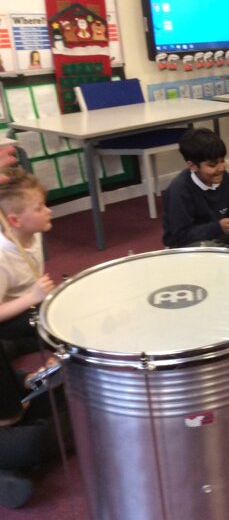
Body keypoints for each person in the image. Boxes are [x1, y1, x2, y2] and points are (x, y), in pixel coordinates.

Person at [0, 350, 70, 509]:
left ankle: (9, 469)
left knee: (61, 389)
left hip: (9, 407)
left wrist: (27, 379)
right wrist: (9, 416)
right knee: (33, 441)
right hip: (7, 416)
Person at [0, 167, 54, 361]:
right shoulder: (2, 256)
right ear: (15, 221)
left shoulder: (33, 233)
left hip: (31, 303)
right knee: (56, 323)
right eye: (39, 208)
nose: (48, 211)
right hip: (9, 315)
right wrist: (32, 297)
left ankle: (16, 346)